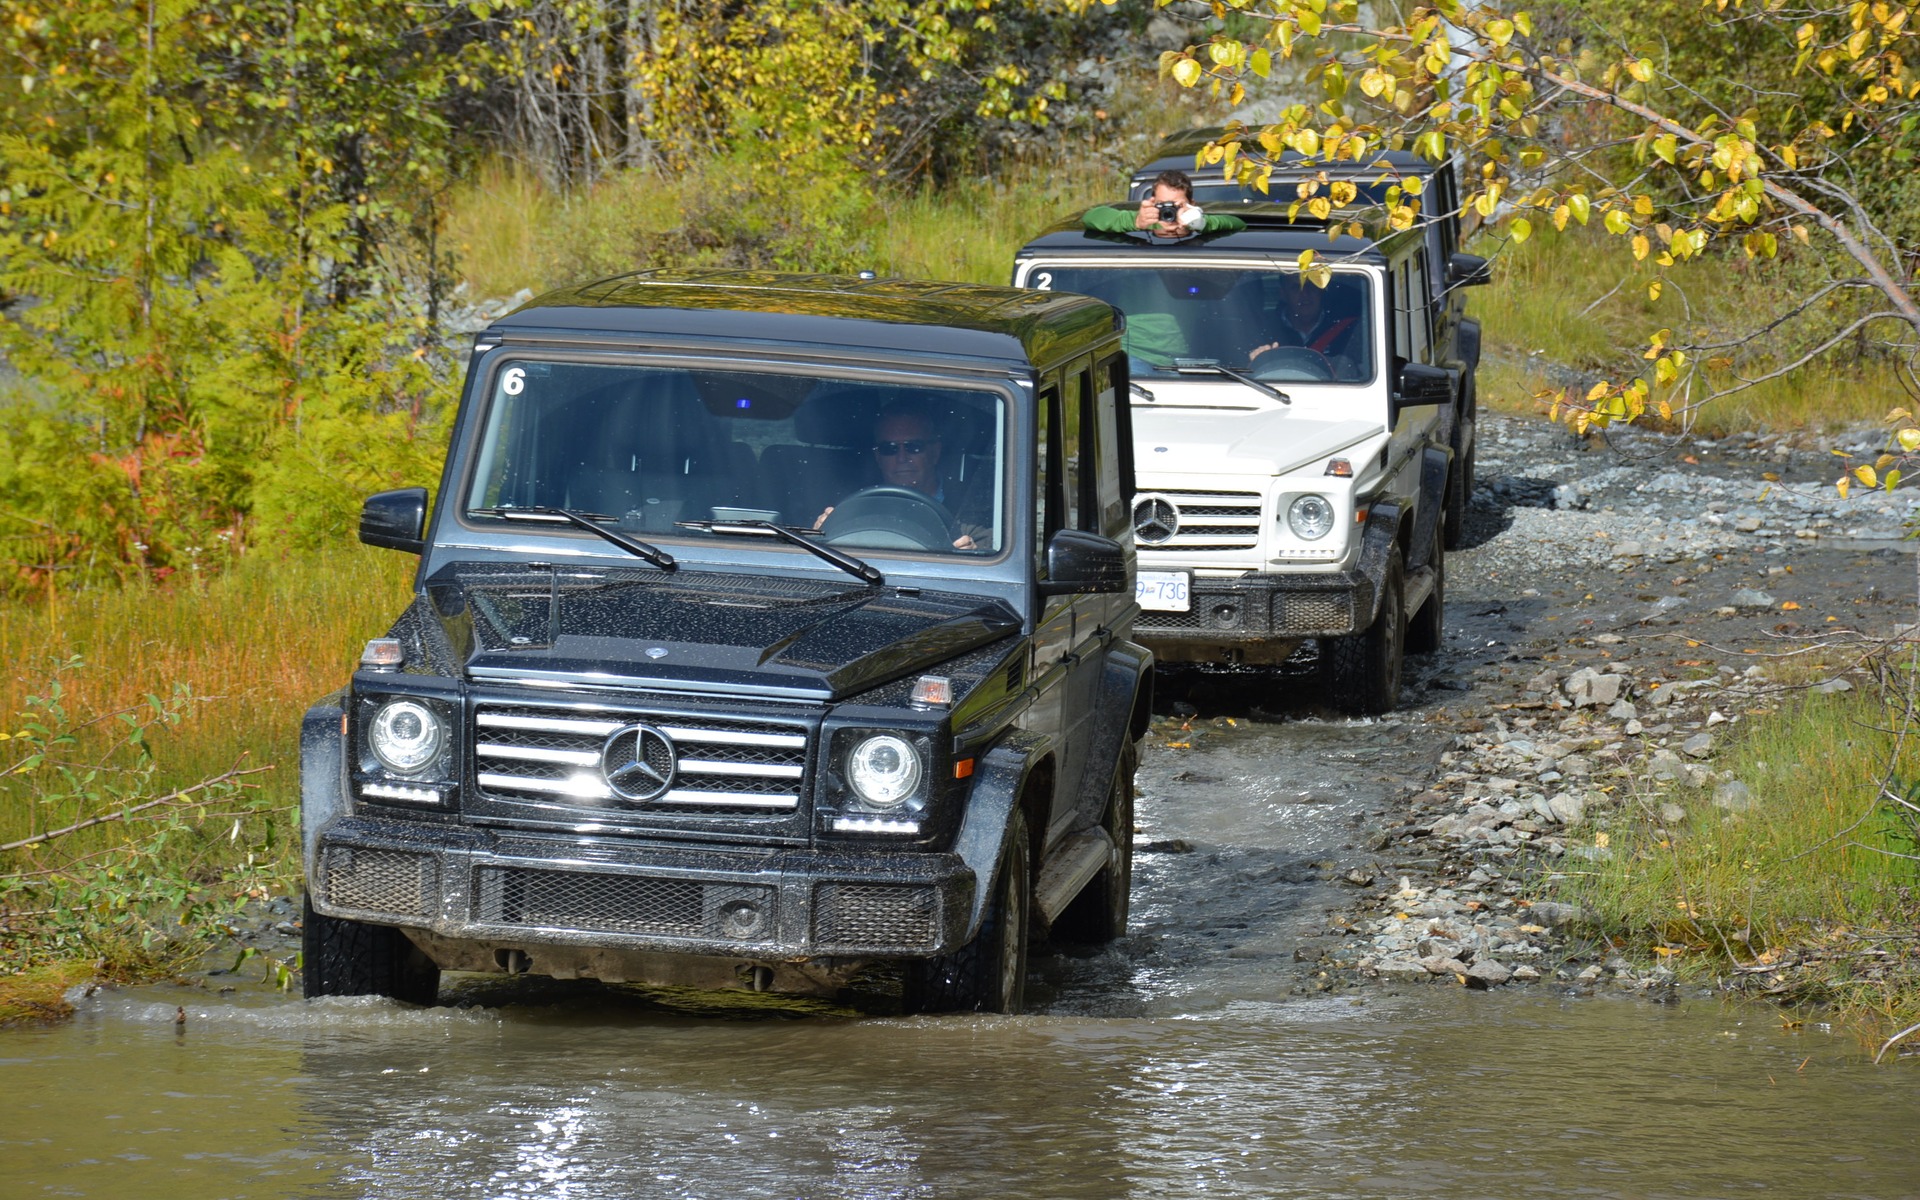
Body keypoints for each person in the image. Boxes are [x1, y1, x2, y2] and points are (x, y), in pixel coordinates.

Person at [816, 401, 989, 549]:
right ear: (878, 457)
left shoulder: (970, 508)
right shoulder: (849, 507)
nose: (902, 457)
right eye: (889, 448)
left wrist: (973, 553)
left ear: (935, 452)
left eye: (913, 446)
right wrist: (820, 535)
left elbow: (993, 565)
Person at [1081, 169, 1248, 241]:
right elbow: (1091, 216)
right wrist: (1136, 222)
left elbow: (1238, 224)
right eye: (1162, 205)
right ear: (1152, 202)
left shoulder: (1200, 227)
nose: (1169, 213)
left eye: (1176, 205)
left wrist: (1200, 222)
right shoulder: (1143, 224)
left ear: (1191, 204)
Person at [1249, 275, 1363, 376]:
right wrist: (1257, 360)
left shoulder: (1348, 329)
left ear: (1321, 290)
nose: (1305, 294)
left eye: (1311, 286)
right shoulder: (1262, 329)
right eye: (1296, 287)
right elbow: (1241, 375)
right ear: (1283, 294)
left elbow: (1360, 375)